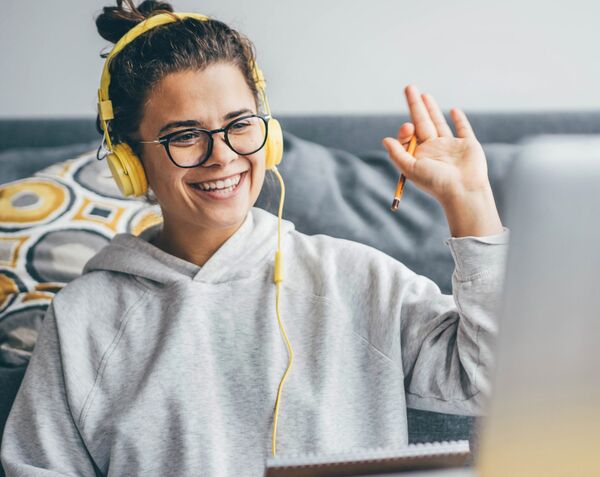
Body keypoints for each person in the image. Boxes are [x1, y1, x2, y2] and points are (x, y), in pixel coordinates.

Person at [0, 1, 509, 475]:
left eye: (239, 124)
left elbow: (498, 383)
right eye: (184, 135)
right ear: (131, 164)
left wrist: (471, 201)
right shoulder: (83, 318)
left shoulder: (359, 278)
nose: (221, 156)